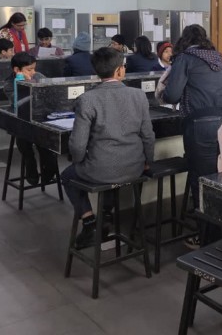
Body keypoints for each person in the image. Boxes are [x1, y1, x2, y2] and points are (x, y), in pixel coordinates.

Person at [61, 47, 154, 249]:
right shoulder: (138, 96)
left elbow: (77, 145)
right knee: (109, 168)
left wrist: (78, 161)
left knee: (68, 176)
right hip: (134, 168)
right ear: (120, 70)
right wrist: (148, 162)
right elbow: (148, 136)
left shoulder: (87, 99)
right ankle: (106, 215)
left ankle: (89, 223)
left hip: (101, 170)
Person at [161, 24, 222, 246]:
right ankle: (219, 232)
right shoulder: (217, 58)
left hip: (199, 124)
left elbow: (172, 95)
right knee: (216, 178)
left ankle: (208, 241)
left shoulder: (185, 58)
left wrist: (164, 90)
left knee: (200, 180)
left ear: (185, 39)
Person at [3, 52, 59, 186]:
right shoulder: (9, 84)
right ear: (17, 70)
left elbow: (51, 93)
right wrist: (24, 83)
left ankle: (48, 170)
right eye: (29, 69)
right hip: (22, 120)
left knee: (45, 145)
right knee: (23, 142)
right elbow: (20, 102)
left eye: (34, 68)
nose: (33, 72)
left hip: (40, 118)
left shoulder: (38, 76)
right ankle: (30, 166)